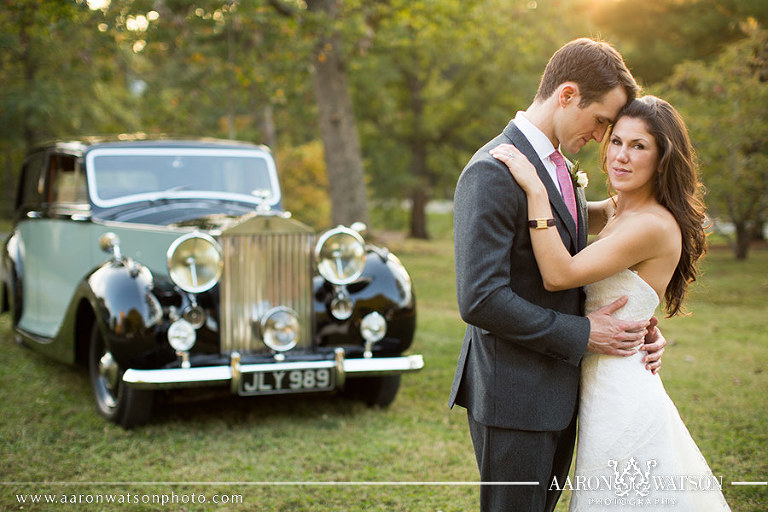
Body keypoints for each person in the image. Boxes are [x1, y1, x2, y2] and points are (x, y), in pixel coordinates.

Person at [449, 38, 666, 512]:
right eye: (603, 121)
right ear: (567, 95)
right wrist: (585, 333)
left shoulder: (554, 165)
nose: (603, 136)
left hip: (558, 391)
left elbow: (571, 229)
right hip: (515, 396)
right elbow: (481, 300)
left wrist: (640, 318)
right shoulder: (492, 170)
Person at [491, 95, 730, 510]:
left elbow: (558, 273)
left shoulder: (652, 225)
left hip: (621, 390)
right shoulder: (621, 209)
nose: (621, 156)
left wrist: (534, 187)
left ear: (663, 159)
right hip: (598, 378)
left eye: (638, 146)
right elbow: (578, 219)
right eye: (616, 141)